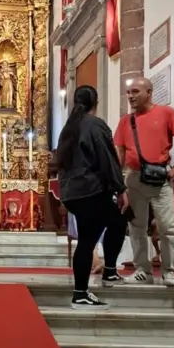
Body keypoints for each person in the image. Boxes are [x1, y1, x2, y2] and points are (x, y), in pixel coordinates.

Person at [114, 77, 174, 287]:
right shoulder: (125, 121)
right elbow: (120, 151)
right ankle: (142, 270)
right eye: (129, 92)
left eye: (135, 92)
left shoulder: (166, 113)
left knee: (167, 226)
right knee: (137, 226)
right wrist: (116, 179)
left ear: (149, 92)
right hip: (134, 178)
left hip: (160, 178)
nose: (130, 96)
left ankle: (169, 271)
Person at [57, 85, 129, 309]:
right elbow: (108, 159)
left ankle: (103, 276)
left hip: (71, 192)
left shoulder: (68, 128)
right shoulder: (95, 125)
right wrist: (120, 188)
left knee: (110, 223)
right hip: (91, 190)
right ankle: (85, 290)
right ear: (95, 102)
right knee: (92, 238)